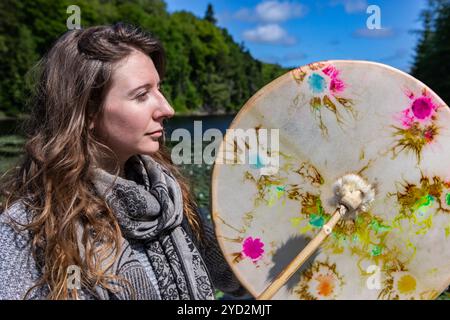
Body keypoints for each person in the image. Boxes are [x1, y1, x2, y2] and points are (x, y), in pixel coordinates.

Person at [0, 23, 246, 300]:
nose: (167, 109)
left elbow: (245, 276)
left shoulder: (170, 201)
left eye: (159, 89)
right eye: (142, 95)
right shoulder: (25, 229)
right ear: (88, 111)